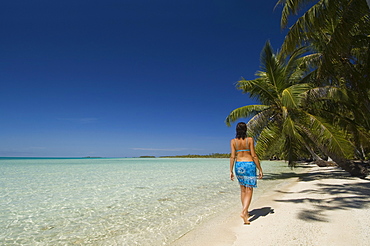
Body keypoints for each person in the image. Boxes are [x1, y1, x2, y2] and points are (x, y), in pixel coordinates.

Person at [230, 122, 263, 225]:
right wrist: (260, 169)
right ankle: (244, 211)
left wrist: (231, 170)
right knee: (249, 189)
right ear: (246, 130)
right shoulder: (250, 140)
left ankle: (246, 211)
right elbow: (254, 155)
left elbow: (232, 156)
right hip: (249, 164)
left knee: (243, 189)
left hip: (239, 165)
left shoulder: (233, 141)